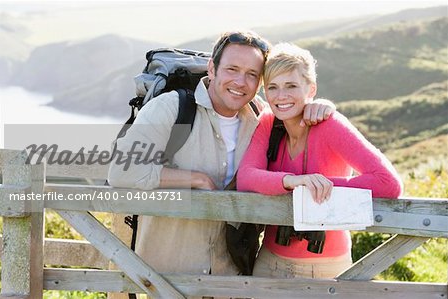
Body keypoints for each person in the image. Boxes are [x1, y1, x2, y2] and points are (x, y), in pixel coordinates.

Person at [107, 31, 335, 296]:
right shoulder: (171, 108)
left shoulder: (262, 117)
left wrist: (318, 106)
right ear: (212, 68)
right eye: (232, 69)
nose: (241, 81)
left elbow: (296, 114)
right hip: (166, 278)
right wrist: (195, 179)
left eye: (252, 74)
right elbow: (121, 171)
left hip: (232, 280)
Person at [237, 43, 403, 279]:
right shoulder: (268, 121)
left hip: (325, 267)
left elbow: (388, 183)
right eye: (272, 87)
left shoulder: (329, 125)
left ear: (311, 89)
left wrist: (322, 185)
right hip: (269, 261)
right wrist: (295, 181)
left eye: (291, 86)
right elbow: (246, 178)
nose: (281, 96)